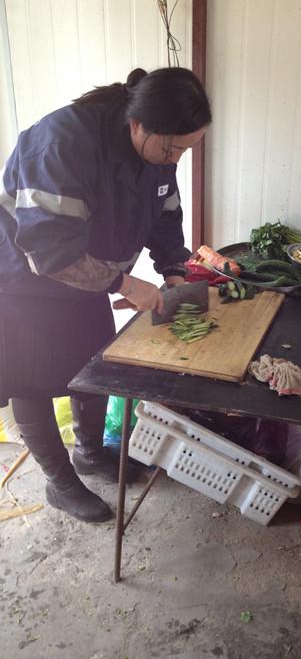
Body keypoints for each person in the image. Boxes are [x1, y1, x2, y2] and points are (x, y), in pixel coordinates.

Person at [0, 67, 211, 522]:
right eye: (172, 148)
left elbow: (165, 213)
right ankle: (59, 482)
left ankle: (90, 453)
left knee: (92, 366)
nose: (176, 158)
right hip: (25, 280)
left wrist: (174, 270)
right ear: (137, 124)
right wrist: (126, 284)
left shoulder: (159, 151)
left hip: (90, 273)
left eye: (186, 148)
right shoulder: (62, 144)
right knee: (30, 379)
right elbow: (51, 252)